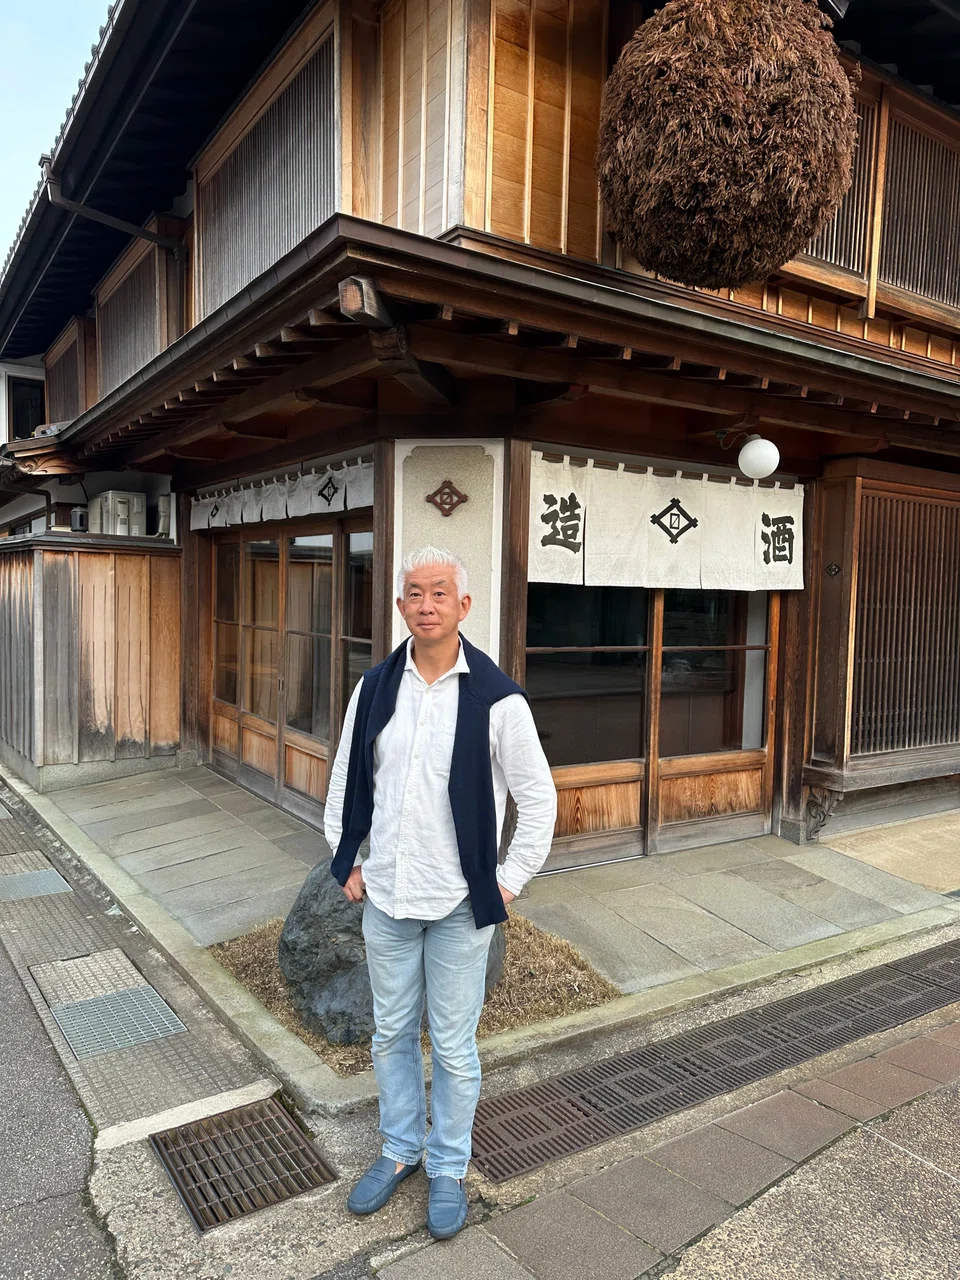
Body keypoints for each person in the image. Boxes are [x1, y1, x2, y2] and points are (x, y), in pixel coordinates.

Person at [325, 545, 557, 1240]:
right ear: (400, 607)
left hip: (459, 908)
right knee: (391, 1034)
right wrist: (346, 862)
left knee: (454, 1049)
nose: (426, 604)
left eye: (440, 593)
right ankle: (400, 1150)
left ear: (463, 605)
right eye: (414, 594)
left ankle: (448, 1165)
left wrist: (509, 880)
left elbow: (538, 799)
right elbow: (345, 781)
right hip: (387, 900)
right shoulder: (374, 689)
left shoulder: (495, 698)